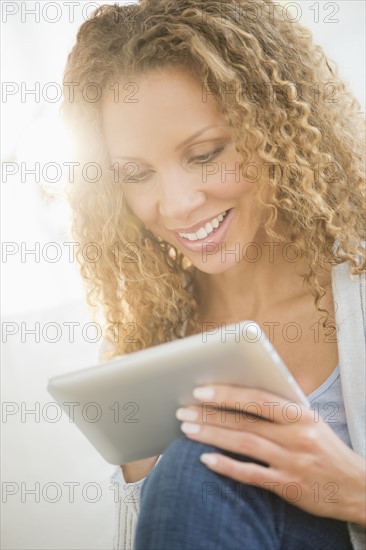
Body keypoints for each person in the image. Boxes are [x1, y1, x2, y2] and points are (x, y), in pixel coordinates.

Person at [61, 1, 366, 548]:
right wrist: (141, 474)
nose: (176, 204)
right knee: (191, 467)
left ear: (275, 128)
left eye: (205, 154)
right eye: (136, 174)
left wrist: (351, 490)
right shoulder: (154, 346)